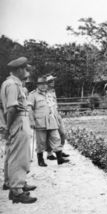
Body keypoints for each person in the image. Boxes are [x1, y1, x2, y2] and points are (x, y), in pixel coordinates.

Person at [0, 57, 37, 203]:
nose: (27, 72)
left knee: (11, 153)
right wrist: (8, 127)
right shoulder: (13, 85)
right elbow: (11, 108)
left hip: (17, 121)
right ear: (19, 69)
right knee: (19, 156)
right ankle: (17, 190)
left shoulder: (9, 83)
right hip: (18, 121)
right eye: (25, 69)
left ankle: (11, 182)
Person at [28, 76, 69, 166]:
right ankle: (40, 159)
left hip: (51, 120)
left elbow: (53, 107)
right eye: (41, 84)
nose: (43, 86)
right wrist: (31, 120)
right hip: (40, 121)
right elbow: (29, 108)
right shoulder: (33, 95)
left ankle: (59, 158)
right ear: (37, 85)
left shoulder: (49, 94)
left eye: (45, 84)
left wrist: (57, 118)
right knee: (41, 142)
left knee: (56, 138)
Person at [45, 74, 69, 160]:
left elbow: (55, 103)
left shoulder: (53, 91)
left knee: (62, 133)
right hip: (49, 115)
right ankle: (49, 153)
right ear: (46, 83)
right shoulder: (43, 92)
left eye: (53, 81)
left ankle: (60, 151)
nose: (53, 82)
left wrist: (57, 113)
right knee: (50, 135)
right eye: (50, 81)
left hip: (56, 113)